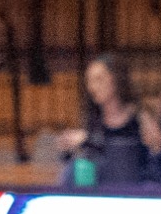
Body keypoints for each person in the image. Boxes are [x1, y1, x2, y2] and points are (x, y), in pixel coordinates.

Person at [61, 54, 155, 186]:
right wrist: (70, 147)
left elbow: (154, 151)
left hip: (132, 188)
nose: (92, 87)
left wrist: (86, 140)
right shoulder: (92, 119)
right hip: (99, 188)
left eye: (98, 79)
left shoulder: (139, 116)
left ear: (116, 79)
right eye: (89, 81)